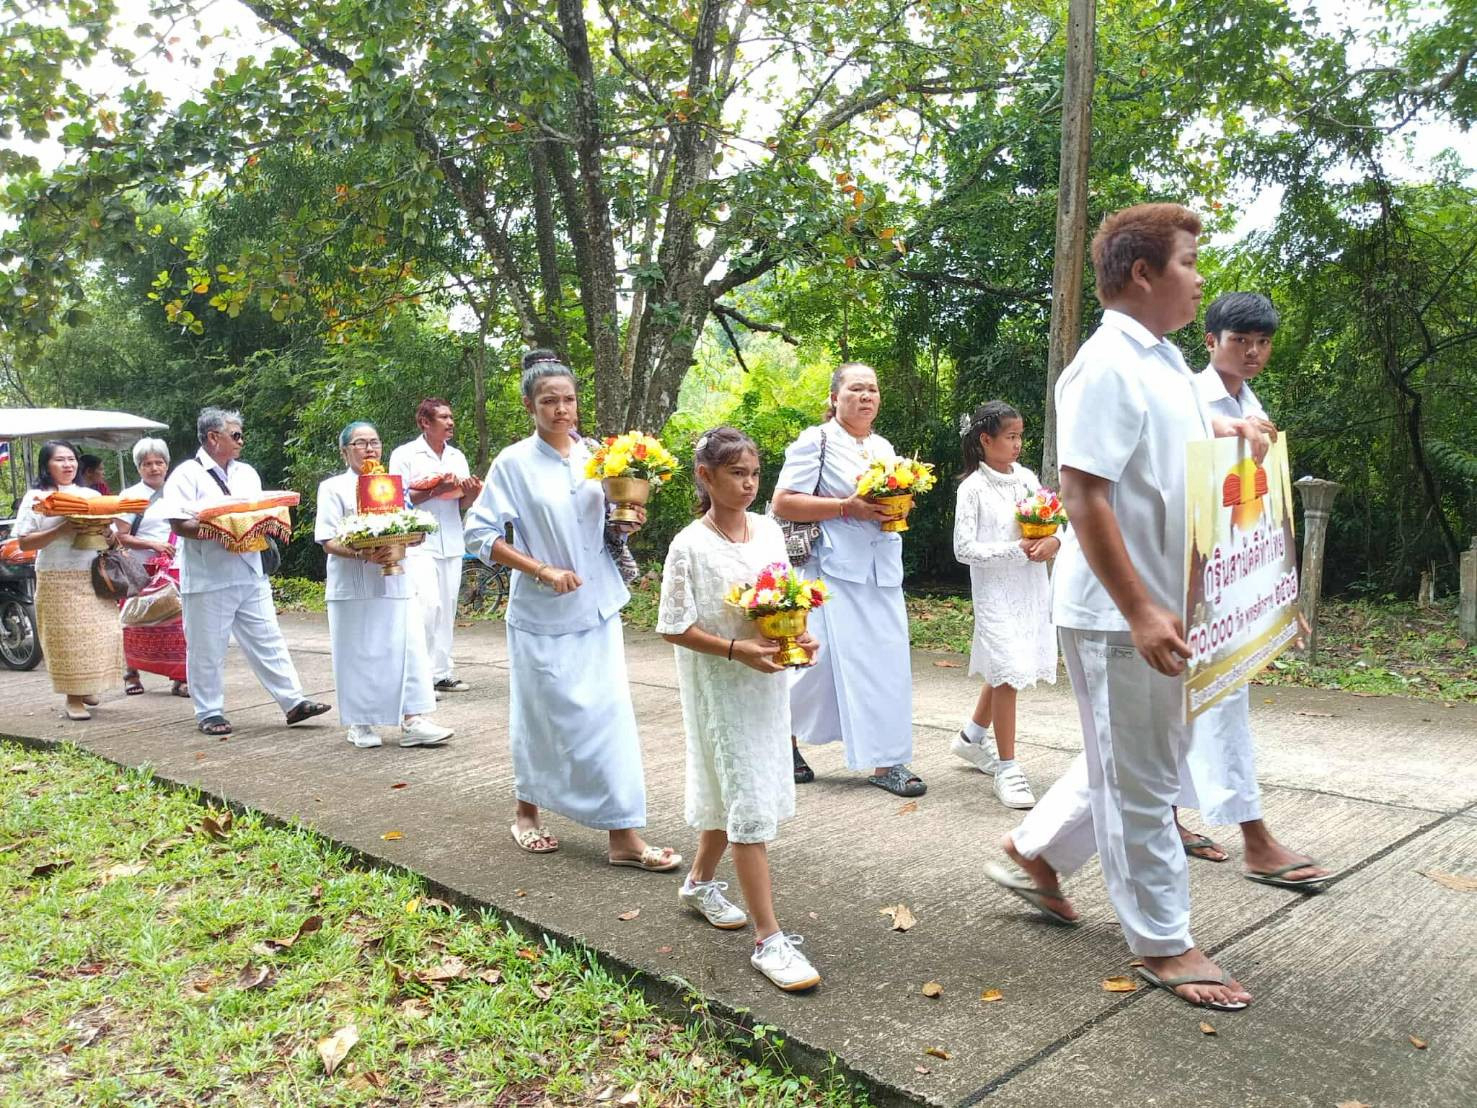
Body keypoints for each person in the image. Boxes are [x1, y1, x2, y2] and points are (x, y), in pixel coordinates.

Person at [984, 204, 1270, 1013]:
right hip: (1119, 614)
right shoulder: (1106, 364)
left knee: (1137, 769)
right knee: (1143, 787)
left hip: (1161, 606)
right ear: (1141, 274)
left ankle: (1033, 856)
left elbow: (1169, 462)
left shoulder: (1162, 365)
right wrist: (1142, 610)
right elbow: (1083, 494)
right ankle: (1162, 942)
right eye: (1186, 261)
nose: (1199, 277)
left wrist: (1235, 439)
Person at [463, 350, 681, 871]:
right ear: (529, 406)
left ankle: (623, 836)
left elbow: (608, 522)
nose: (562, 409)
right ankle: (526, 815)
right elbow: (479, 532)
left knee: (608, 720)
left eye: (568, 400)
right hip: (540, 614)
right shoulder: (513, 464)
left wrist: (627, 519)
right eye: (549, 401)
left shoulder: (598, 457)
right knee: (542, 718)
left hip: (598, 605)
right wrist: (540, 569)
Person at [1173, 292, 1332, 887]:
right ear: (1210, 340)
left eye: (1262, 342)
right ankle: (1253, 838)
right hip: (1188, 581)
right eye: (1240, 340)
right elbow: (1184, 477)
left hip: (1232, 581)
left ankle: (1191, 822)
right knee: (1195, 708)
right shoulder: (1189, 396)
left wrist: (1280, 600)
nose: (1254, 351)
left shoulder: (1252, 403)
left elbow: (1264, 511)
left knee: (1202, 707)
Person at [658, 427, 822, 992]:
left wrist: (797, 638)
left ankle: (699, 882)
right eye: (736, 474)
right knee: (746, 800)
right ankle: (768, 939)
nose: (749, 484)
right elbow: (673, 625)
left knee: (733, 790)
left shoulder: (770, 531)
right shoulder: (689, 545)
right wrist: (735, 649)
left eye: (754, 473)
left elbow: (782, 598)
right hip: (721, 688)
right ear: (705, 477)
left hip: (766, 686)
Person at [771, 362, 924, 797]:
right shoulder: (815, 441)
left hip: (882, 571)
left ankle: (887, 762)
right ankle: (782, 743)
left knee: (888, 665)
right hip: (829, 571)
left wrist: (899, 507)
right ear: (834, 398)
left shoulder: (884, 446)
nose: (866, 396)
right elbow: (783, 502)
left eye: (872, 389)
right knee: (813, 670)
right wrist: (845, 507)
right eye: (856, 389)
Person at [159, 406, 330, 737]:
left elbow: (261, 513)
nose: (241, 441)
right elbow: (178, 523)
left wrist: (268, 524)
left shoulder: (247, 473)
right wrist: (224, 528)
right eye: (235, 435)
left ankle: (293, 702)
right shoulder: (186, 475)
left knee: (269, 639)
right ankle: (208, 710)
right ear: (213, 437)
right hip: (209, 576)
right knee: (207, 647)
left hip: (250, 571)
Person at [315, 422, 455, 750]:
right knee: (358, 653)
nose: (369, 449)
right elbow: (327, 539)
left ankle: (413, 720)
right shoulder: (333, 487)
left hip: (396, 580)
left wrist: (415, 535)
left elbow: (411, 525)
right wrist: (363, 553)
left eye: (374, 442)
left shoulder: (394, 486)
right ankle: (360, 723)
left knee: (408, 647)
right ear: (345, 451)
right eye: (360, 443)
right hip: (354, 584)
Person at [951, 400, 1058, 809]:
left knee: (1003, 668)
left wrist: (1053, 541)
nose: (1017, 444)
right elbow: (964, 548)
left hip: (1030, 588)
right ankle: (1009, 768)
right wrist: (1017, 550)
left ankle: (971, 738)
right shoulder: (972, 489)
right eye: (1010, 437)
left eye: (1020, 436)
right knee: (1009, 671)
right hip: (995, 593)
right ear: (985, 440)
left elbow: (1052, 516)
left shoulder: (1027, 478)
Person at [14, 441, 125, 720]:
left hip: (93, 574)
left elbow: (111, 535)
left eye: (71, 459)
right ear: (46, 465)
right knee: (69, 639)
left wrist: (108, 533)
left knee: (105, 632)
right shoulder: (37, 498)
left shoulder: (89, 494)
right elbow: (25, 543)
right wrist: (63, 528)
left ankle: (87, 687)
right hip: (56, 577)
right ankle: (73, 698)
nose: (68, 465)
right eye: (60, 460)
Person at [388, 398, 483, 693]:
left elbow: (462, 504)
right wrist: (435, 490)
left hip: (451, 539)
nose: (450, 422)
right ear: (425, 423)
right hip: (418, 541)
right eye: (443, 417)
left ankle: (441, 672)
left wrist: (472, 493)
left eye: (451, 417)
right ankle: (417, 675)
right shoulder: (405, 455)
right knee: (427, 606)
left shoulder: (456, 456)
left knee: (447, 607)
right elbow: (397, 499)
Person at [118, 436, 189, 698]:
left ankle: (181, 678)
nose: (154, 468)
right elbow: (120, 536)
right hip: (140, 571)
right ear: (139, 467)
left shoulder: (179, 491)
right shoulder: (130, 497)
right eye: (147, 463)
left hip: (176, 567)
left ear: (167, 465)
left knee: (178, 626)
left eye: (159, 462)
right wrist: (153, 544)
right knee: (136, 623)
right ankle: (131, 673)